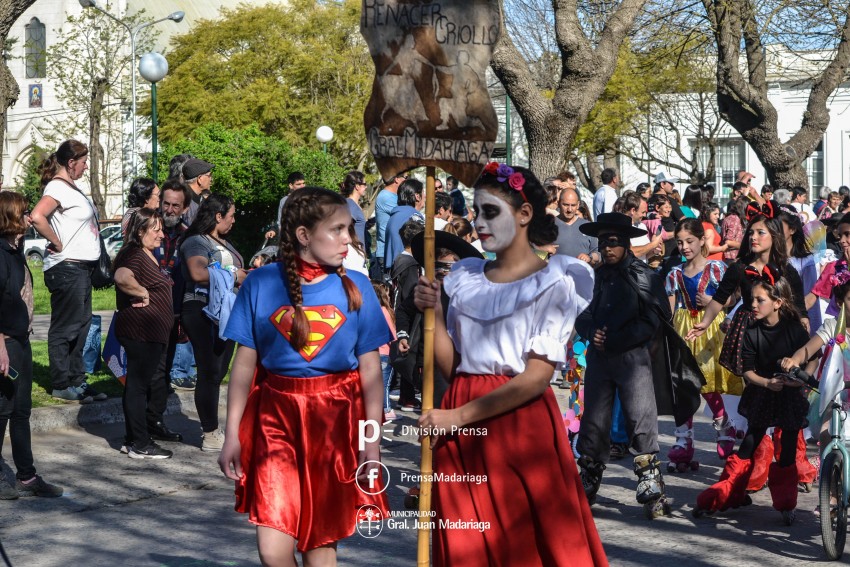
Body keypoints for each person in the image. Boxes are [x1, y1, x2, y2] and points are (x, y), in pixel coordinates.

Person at [413, 163, 605, 564]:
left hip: (517, 423)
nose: (479, 223)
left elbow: (536, 378)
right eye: (477, 212)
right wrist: (431, 315)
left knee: (524, 545)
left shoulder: (555, 280)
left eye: (491, 212)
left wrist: (460, 415)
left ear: (524, 215)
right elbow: (456, 366)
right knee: (468, 547)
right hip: (461, 421)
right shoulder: (465, 277)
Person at [218, 187, 390, 565]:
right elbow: (243, 367)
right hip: (275, 420)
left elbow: (372, 377)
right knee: (272, 549)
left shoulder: (357, 288)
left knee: (319, 547)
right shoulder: (261, 283)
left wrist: (371, 445)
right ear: (303, 236)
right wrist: (232, 434)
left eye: (349, 229)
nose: (349, 239)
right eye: (338, 230)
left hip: (335, 423)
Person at [575, 212, 679, 519]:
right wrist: (590, 332)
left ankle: (651, 485)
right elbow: (580, 311)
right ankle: (589, 477)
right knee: (594, 418)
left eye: (613, 242)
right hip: (599, 359)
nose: (607, 248)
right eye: (603, 242)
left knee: (640, 417)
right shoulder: (592, 278)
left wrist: (619, 339)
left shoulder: (643, 276)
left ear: (625, 244)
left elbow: (654, 320)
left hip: (632, 358)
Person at [693, 269, 809, 525]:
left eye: (760, 300)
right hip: (762, 392)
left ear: (778, 303)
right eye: (752, 300)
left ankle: (786, 502)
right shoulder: (751, 331)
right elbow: (747, 371)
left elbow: (811, 358)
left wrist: (799, 380)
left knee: (787, 449)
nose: (753, 305)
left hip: (790, 396)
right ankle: (726, 493)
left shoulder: (795, 329)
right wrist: (767, 382)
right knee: (749, 444)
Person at [687, 204, 808, 374]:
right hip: (749, 330)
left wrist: (803, 324)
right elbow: (719, 299)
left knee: (781, 379)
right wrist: (705, 323)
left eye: (760, 233)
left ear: (774, 235)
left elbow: (799, 307)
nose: (753, 237)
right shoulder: (739, 267)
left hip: (780, 332)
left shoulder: (787, 270)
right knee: (754, 382)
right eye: (751, 233)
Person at [30, 139, 105, 404]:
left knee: (82, 327)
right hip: (67, 268)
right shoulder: (56, 187)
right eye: (83, 162)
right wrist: (57, 242)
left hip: (81, 269)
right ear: (71, 163)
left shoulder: (71, 187)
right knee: (65, 328)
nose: (86, 167)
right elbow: (37, 215)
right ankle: (61, 383)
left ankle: (77, 381)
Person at [0, 192, 63, 498]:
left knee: (21, 410)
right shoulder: (0, 253)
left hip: (20, 339)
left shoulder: (15, 250)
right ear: (10, 217)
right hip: (5, 343)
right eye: (24, 213)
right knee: (3, 409)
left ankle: (27, 476)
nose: (29, 218)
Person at [666, 219, 740, 464]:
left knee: (707, 381)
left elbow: (733, 295)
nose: (685, 247)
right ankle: (683, 438)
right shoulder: (674, 273)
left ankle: (723, 425)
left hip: (709, 328)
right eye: (680, 242)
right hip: (684, 328)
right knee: (684, 384)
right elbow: (670, 308)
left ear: (701, 240)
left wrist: (713, 301)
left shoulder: (716, 268)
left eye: (689, 241)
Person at [179, 194, 248, 452]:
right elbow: (197, 273)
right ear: (218, 216)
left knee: (218, 372)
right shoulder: (196, 241)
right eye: (231, 215)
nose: (233, 220)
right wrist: (234, 274)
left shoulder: (223, 242)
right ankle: (209, 433)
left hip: (227, 312)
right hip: (201, 309)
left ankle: (215, 428)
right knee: (209, 371)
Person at [113, 209, 179, 459]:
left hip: (150, 333)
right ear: (140, 231)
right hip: (141, 331)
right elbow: (121, 276)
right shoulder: (134, 254)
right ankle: (140, 443)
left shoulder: (146, 254)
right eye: (156, 229)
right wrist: (141, 292)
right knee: (139, 388)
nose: (162, 234)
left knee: (137, 387)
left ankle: (133, 440)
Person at [154, 179, 196, 393]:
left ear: (185, 208)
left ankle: (157, 416)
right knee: (147, 368)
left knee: (166, 362)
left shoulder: (190, 237)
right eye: (166, 204)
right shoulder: (148, 230)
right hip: (148, 309)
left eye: (175, 206)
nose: (169, 210)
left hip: (174, 309)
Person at [383, 178, 425, 270]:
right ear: (417, 196)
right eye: (423, 193)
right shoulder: (414, 216)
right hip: (406, 269)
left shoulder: (395, 215)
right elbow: (422, 247)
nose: (425, 196)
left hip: (392, 270)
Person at [372, 283, 398, 423]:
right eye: (387, 293)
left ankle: (382, 409)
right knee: (385, 384)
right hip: (385, 352)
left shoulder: (372, 311)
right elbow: (393, 335)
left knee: (377, 384)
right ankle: (387, 409)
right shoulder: (385, 311)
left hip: (375, 352)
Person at [555, 188, 600, 265]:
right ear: (558, 203)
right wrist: (546, 255)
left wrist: (589, 258)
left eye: (573, 205)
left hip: (583, 275)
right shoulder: (547, 226)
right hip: (555, 275)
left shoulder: (588, 226)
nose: (569, 209)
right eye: (565, 205)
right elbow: (535, 253)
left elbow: (598, 254)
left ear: (578, 204)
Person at [373, 172, 405, 280]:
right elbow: (406, 215)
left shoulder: (393, 196)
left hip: (393, 251)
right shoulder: (386, 197)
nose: (406, 181)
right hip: (387, 252)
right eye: (405, 178)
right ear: (397, 179)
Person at [265, 172, 306, 241]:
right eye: (298, 184)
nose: (302, 186)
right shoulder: (284, 201)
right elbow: (281, 222)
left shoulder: (309, 198)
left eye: (303, 183)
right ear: (291, 185)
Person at [181, 158, 215, 226]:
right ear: (200, 179)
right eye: (209, 175)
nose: (211, 179)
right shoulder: (183, 202)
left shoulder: (200, 199)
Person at [340, 171, 368, 245]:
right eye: (364, 184)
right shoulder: (351, 204)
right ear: (357, 186)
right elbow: (344, 228)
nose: (366, 187)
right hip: (354, 251)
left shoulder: (353, 204)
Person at [721, 196, 746, 262]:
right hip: (731, 257)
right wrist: (745, 246)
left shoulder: (729, 217)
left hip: (730, 257)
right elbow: (728, 242)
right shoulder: (734, 218)